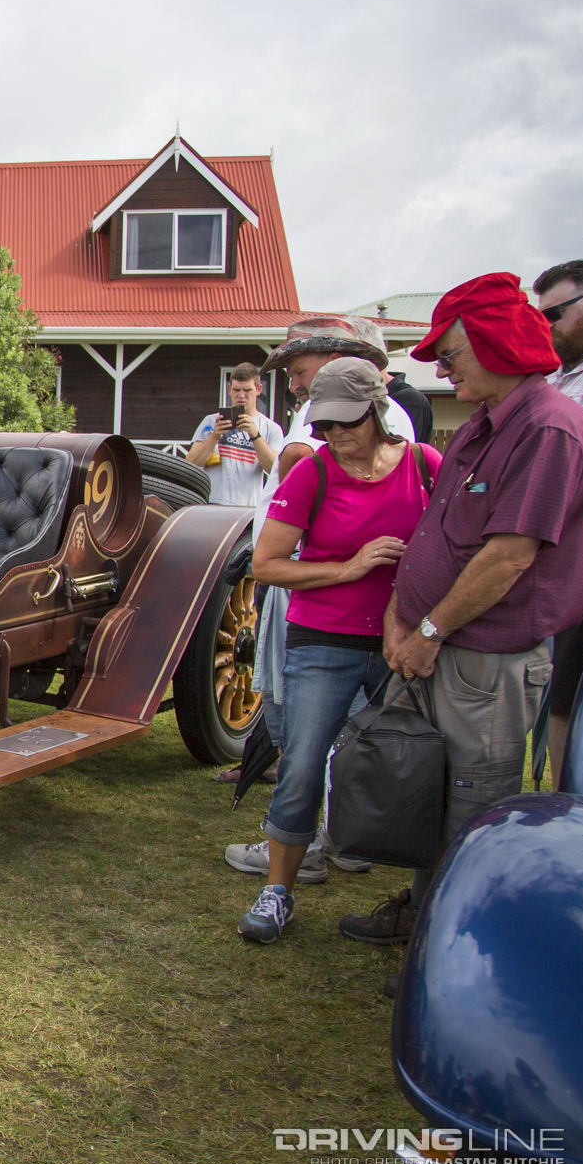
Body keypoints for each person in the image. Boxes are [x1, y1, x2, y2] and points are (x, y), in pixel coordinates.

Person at [343, 273, 583, 945]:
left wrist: (428, 628)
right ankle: (425, 916)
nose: (440, 368)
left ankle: (455, 950)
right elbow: (435, 529)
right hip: (435, 644)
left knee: (472, 809)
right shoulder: (483, 425)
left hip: (484, 660)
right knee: (424, 795)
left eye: (450, 354)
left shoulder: (550, 428)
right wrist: (402, 614)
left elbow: (510, 554)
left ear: (495, 345)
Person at [235, 360, 441, 942]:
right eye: (322, 425)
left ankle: (414, 896)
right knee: (302, 763)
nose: (333, 436)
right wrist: (348, 567)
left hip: (404, 641)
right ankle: (278, 892)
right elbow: (266, 564)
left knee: (412, 761)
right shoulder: (312, 474)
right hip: (324, 639)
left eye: (346, 423)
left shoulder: (426, 466)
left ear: (378, 410)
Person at [531, 260, 583, 780]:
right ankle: (567, 803)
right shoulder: (556, 378)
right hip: (567, 565)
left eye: (555, 312)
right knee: (566, 695)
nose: (546, 325)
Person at [184, 363, 282, 507]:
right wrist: (214, 437)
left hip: (248, 507)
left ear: (259, 389)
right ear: (229, 389)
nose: (241, 395)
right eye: (236, 390)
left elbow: (274, 470)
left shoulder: (272, 428)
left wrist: (256, 436)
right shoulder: (212, 420)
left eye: (247, 390)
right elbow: (191, 464)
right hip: (211, 502)